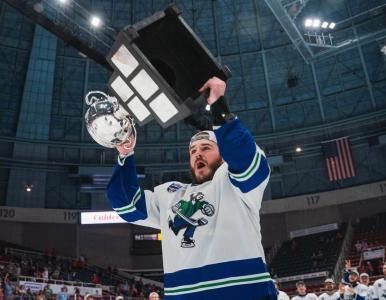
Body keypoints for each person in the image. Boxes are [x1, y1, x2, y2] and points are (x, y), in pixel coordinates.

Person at [107, 77, 276, 299]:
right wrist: (125, 154)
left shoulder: (235, 184)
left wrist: (219, 106)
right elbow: (126, 205)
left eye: (206, 147)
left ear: (223, 155)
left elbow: (244, 157)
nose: (198, 153)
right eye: (193, 151)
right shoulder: (170, 194)